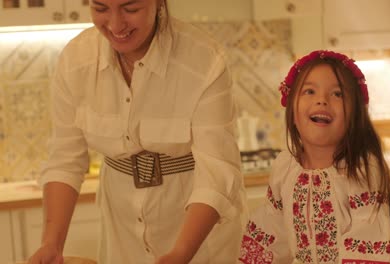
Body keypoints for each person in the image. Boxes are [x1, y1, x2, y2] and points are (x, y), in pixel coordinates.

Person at [28, 0, 247, 263]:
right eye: (100, 9)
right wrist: (52, 243)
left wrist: (181, 253)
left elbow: (217, 173)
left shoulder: (204, 59)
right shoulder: (76, 60)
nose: (115, 24)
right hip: (122, 235)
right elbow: (64, 159)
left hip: (200, 239)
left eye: (130, 9)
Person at [238, 50, 390, 264]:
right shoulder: (285, 167)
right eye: (309, 91)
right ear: (292, 111)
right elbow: (271, 232)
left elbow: (364, 246)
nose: (322, 101)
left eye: (337, 94)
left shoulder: (362, 170)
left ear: (354, 115)